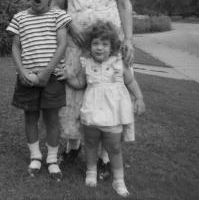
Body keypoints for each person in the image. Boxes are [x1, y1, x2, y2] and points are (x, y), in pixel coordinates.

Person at [53, 0, 134, 173]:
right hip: (76, 45)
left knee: (107, 95)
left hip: (109, 47)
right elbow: (57, 6)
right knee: (74, 96)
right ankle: (73, 147)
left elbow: (124, 4)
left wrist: (129, 40)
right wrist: (67, 24)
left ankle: (105, 155)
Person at [57, 20, 145, 197]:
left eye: (105, 44)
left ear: (112, 46)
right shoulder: (87, 64)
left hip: (113, 114)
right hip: (91, 112)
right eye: (95, 43)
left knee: (114, 147)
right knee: (90, 144)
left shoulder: (119, 64)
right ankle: (91, 171)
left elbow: (131, 81)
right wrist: (67, 76)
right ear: (90, 45)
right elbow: (80, 83)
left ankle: (119, 180)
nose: (99, 48)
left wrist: (139, 98)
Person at [6, 0, 72, 181]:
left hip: (51, 78)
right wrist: (22, 71)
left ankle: (52, 159)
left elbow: (62, 45)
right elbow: (15, 47)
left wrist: (46, 72)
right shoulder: (19, 18)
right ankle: (35, 156)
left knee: (52, 120)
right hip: (27, 78)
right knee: (30, 118)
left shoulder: (59, 16)